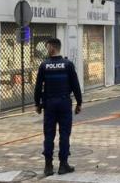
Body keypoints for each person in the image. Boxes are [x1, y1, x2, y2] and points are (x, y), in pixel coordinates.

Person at [34, 38, 83, 176]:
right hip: (64, 104)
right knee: (65, 134)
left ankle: (48, 166)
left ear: (52, 48)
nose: (47, 50)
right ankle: (63, 165)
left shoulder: (44, 65)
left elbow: (38, 87)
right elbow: (75, 85)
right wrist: (79, 102)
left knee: (49, 134)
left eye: (47, 47)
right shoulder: (68, 65)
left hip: (49, 104)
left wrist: (37, 104)